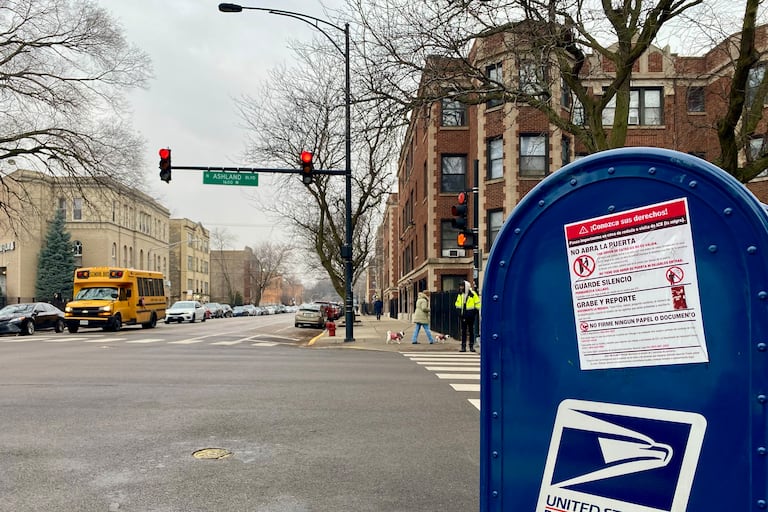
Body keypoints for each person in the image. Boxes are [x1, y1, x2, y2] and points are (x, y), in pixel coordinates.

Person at [455, 281, 481, 352]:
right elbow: (457, 303)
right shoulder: (460, 294)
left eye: (462, 286)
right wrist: (458, 312)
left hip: (470, 316)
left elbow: (478, 304)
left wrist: (473, 312)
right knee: (463, 331)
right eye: (460, 286)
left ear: (466, 287)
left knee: (471, 331)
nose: (461, 288)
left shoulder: (473, 294)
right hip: (463, 315)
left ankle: (471, 346)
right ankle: (463, 347)